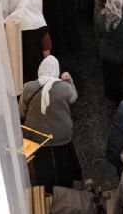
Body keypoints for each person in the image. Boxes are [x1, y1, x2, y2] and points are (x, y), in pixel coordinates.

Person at [19, 56, 80, 188]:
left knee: (41, 166)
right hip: (61, 134)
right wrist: (69, 80)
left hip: (35, 137)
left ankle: (45, 191)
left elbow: (21, 113)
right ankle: (66, 189)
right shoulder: (64, 88)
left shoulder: (28, 87)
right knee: (63, 163)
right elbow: (74, 98)